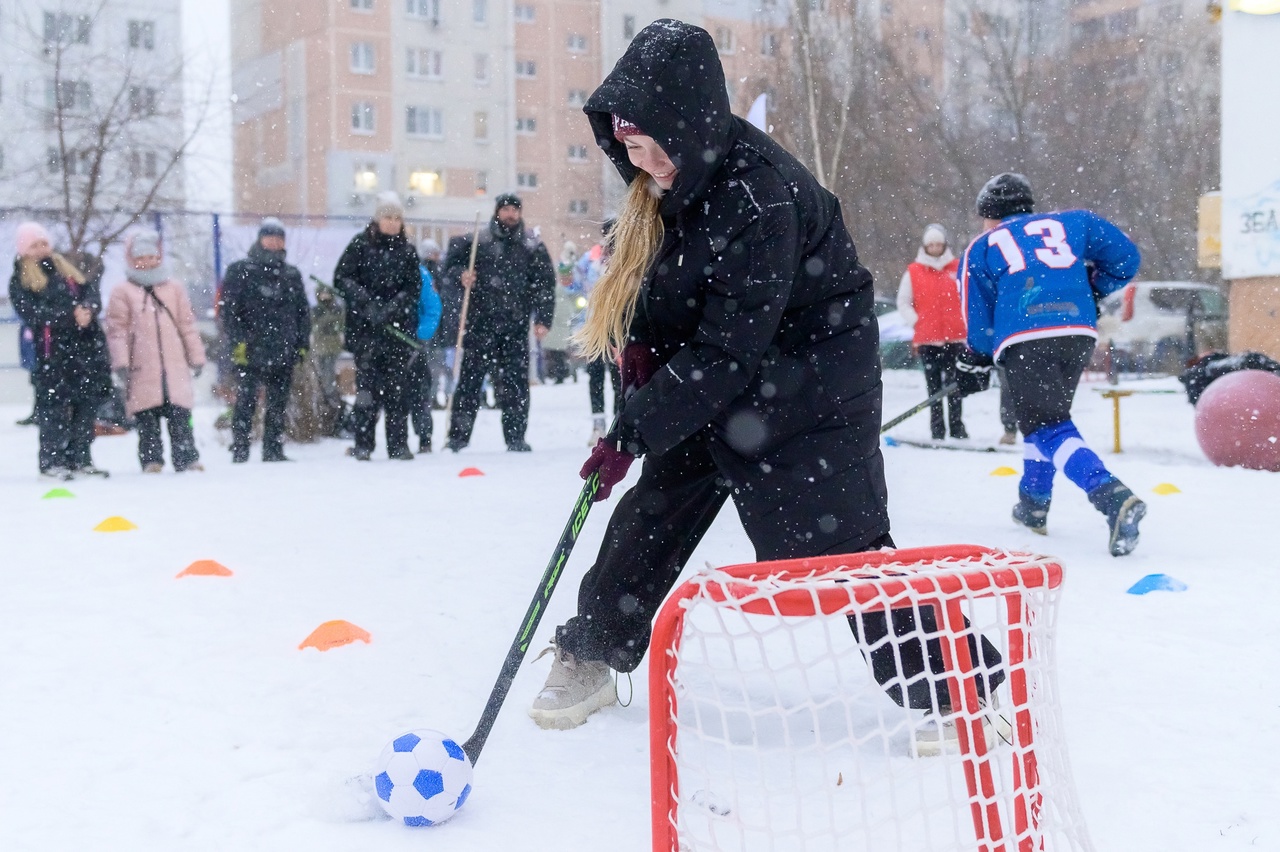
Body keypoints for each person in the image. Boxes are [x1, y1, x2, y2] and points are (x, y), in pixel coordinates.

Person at [527, 20, 902, 731]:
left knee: (841, 551)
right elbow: (673, 300)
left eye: (653, 147)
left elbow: (729, 349)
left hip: (810, 384)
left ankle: (959, 694)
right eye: (629, 150)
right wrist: (642, 359)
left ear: (689, 126)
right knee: (655, 511)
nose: (645, 165)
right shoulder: (670, 189)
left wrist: (635, 428)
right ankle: (594, 652)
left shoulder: (759, 197)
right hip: (723, 380)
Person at [957, 172, 1147, 556]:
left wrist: (975, 357)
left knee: (1045, 423)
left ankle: (1110, 496)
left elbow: (977, 316)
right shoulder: (1075, 222)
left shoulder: (982, 246)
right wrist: (1094, 288)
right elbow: (1127, 258)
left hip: (1026, 335)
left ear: (990, 215)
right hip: (1078, 330)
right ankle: (1033, 503)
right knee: (1048, 419)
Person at [438, 193, 555, 452]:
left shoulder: (531, 244)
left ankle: (515, 438)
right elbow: (448, 269)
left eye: (515, 209)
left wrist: (543, 318)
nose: (511, 214)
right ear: (497, 212)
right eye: (506, 209)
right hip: (480, 324)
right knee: (469, 382)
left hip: (515, 326)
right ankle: (458, 438)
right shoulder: (477, 241)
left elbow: (545, 284)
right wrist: (462, 275)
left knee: (515, 385)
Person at [8, 222, 112, 480]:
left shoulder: (67, 271)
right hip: (52, 354)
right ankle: (51, 461)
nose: (42, 249)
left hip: (84, 350)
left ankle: (80, 457)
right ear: (23, 250)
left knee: (85, 406)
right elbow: (32, 314)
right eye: (35, 245)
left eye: (44, 243)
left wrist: (88, 309)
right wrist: (69, 316)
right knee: (53, 408)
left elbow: (91, 293)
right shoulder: (20, 280)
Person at [104, 230, 208, 473]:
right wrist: (121, 363)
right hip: (142, 367)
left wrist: (196, 356)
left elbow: (186, 325)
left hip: (174, 366)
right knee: (146, 417)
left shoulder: (174, 289)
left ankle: (186, 458)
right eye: (141, 257)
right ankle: (152, 460)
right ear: (131, 259)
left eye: (152, 256)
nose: (147, 262)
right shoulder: (123, 292)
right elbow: (117, 330)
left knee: (180, 415)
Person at [333, 192, 422, 461]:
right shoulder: (359, 245)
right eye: (387, 217)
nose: (393, 223)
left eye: (397, 218)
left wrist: (393, 308)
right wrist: (366, 304)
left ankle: (398, 445)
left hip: (397, 334)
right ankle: (363, 445)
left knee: (397, 392)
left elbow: (413, 287)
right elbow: (342, 278)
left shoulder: (407, 250)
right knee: (367, 393)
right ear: (377, 219)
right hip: (366, 333)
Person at [220, 217, 311, 463]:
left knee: (278, 402)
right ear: (260, 239)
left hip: (284, 348)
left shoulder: (291, 274)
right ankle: (240, 448)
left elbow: (302, 312)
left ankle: (273, 448)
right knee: (246, 400)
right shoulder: (241, 271)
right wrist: (239, 341)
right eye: (269, 237)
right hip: (251, 348)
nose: (274, 242)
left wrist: (302, 344)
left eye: (279, 238)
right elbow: (229, 311)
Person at [896, 224, 968, 440]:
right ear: (925, 247)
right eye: (931, 244)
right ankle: (937, 429)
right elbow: (903, 301)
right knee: (934, 387)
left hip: (956, 338)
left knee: (955, 387)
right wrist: (917, 321)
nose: (935, 248)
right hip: (928, 340)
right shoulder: (914, 271)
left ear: (944, 245)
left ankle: (957, 428)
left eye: (939, 244)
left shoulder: (957, 267)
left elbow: (967, 296)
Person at [574, 222, 623, 445]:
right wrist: (566, 264)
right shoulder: (592, 259)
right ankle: (598, 425)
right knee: (595, 378)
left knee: (619, 380)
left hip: (619, 330)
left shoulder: (627, 256)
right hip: (595, 328)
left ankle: (618, 424)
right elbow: (571, 284)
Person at [409, 238, 443, 453]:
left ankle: (424, 437)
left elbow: (432, 307)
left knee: (421, 390)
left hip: (421, 342)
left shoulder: (423, 275)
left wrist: (421, 336)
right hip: (400, 341)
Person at [541, 242, 582, 385]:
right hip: (559, 319)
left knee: (561, 350)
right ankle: (558, 372)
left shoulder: (574, 271)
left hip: (565, 319)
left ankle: (561, 372)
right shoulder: (566, 271)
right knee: (557, 351)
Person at [311, 279, 347, 434]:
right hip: (320, 348)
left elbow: (339, 324)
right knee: (322, 378)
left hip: (332, 348)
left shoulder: (337, 310)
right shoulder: (317, 310)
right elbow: (315, 325)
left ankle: (333, 407)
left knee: (329, 379)